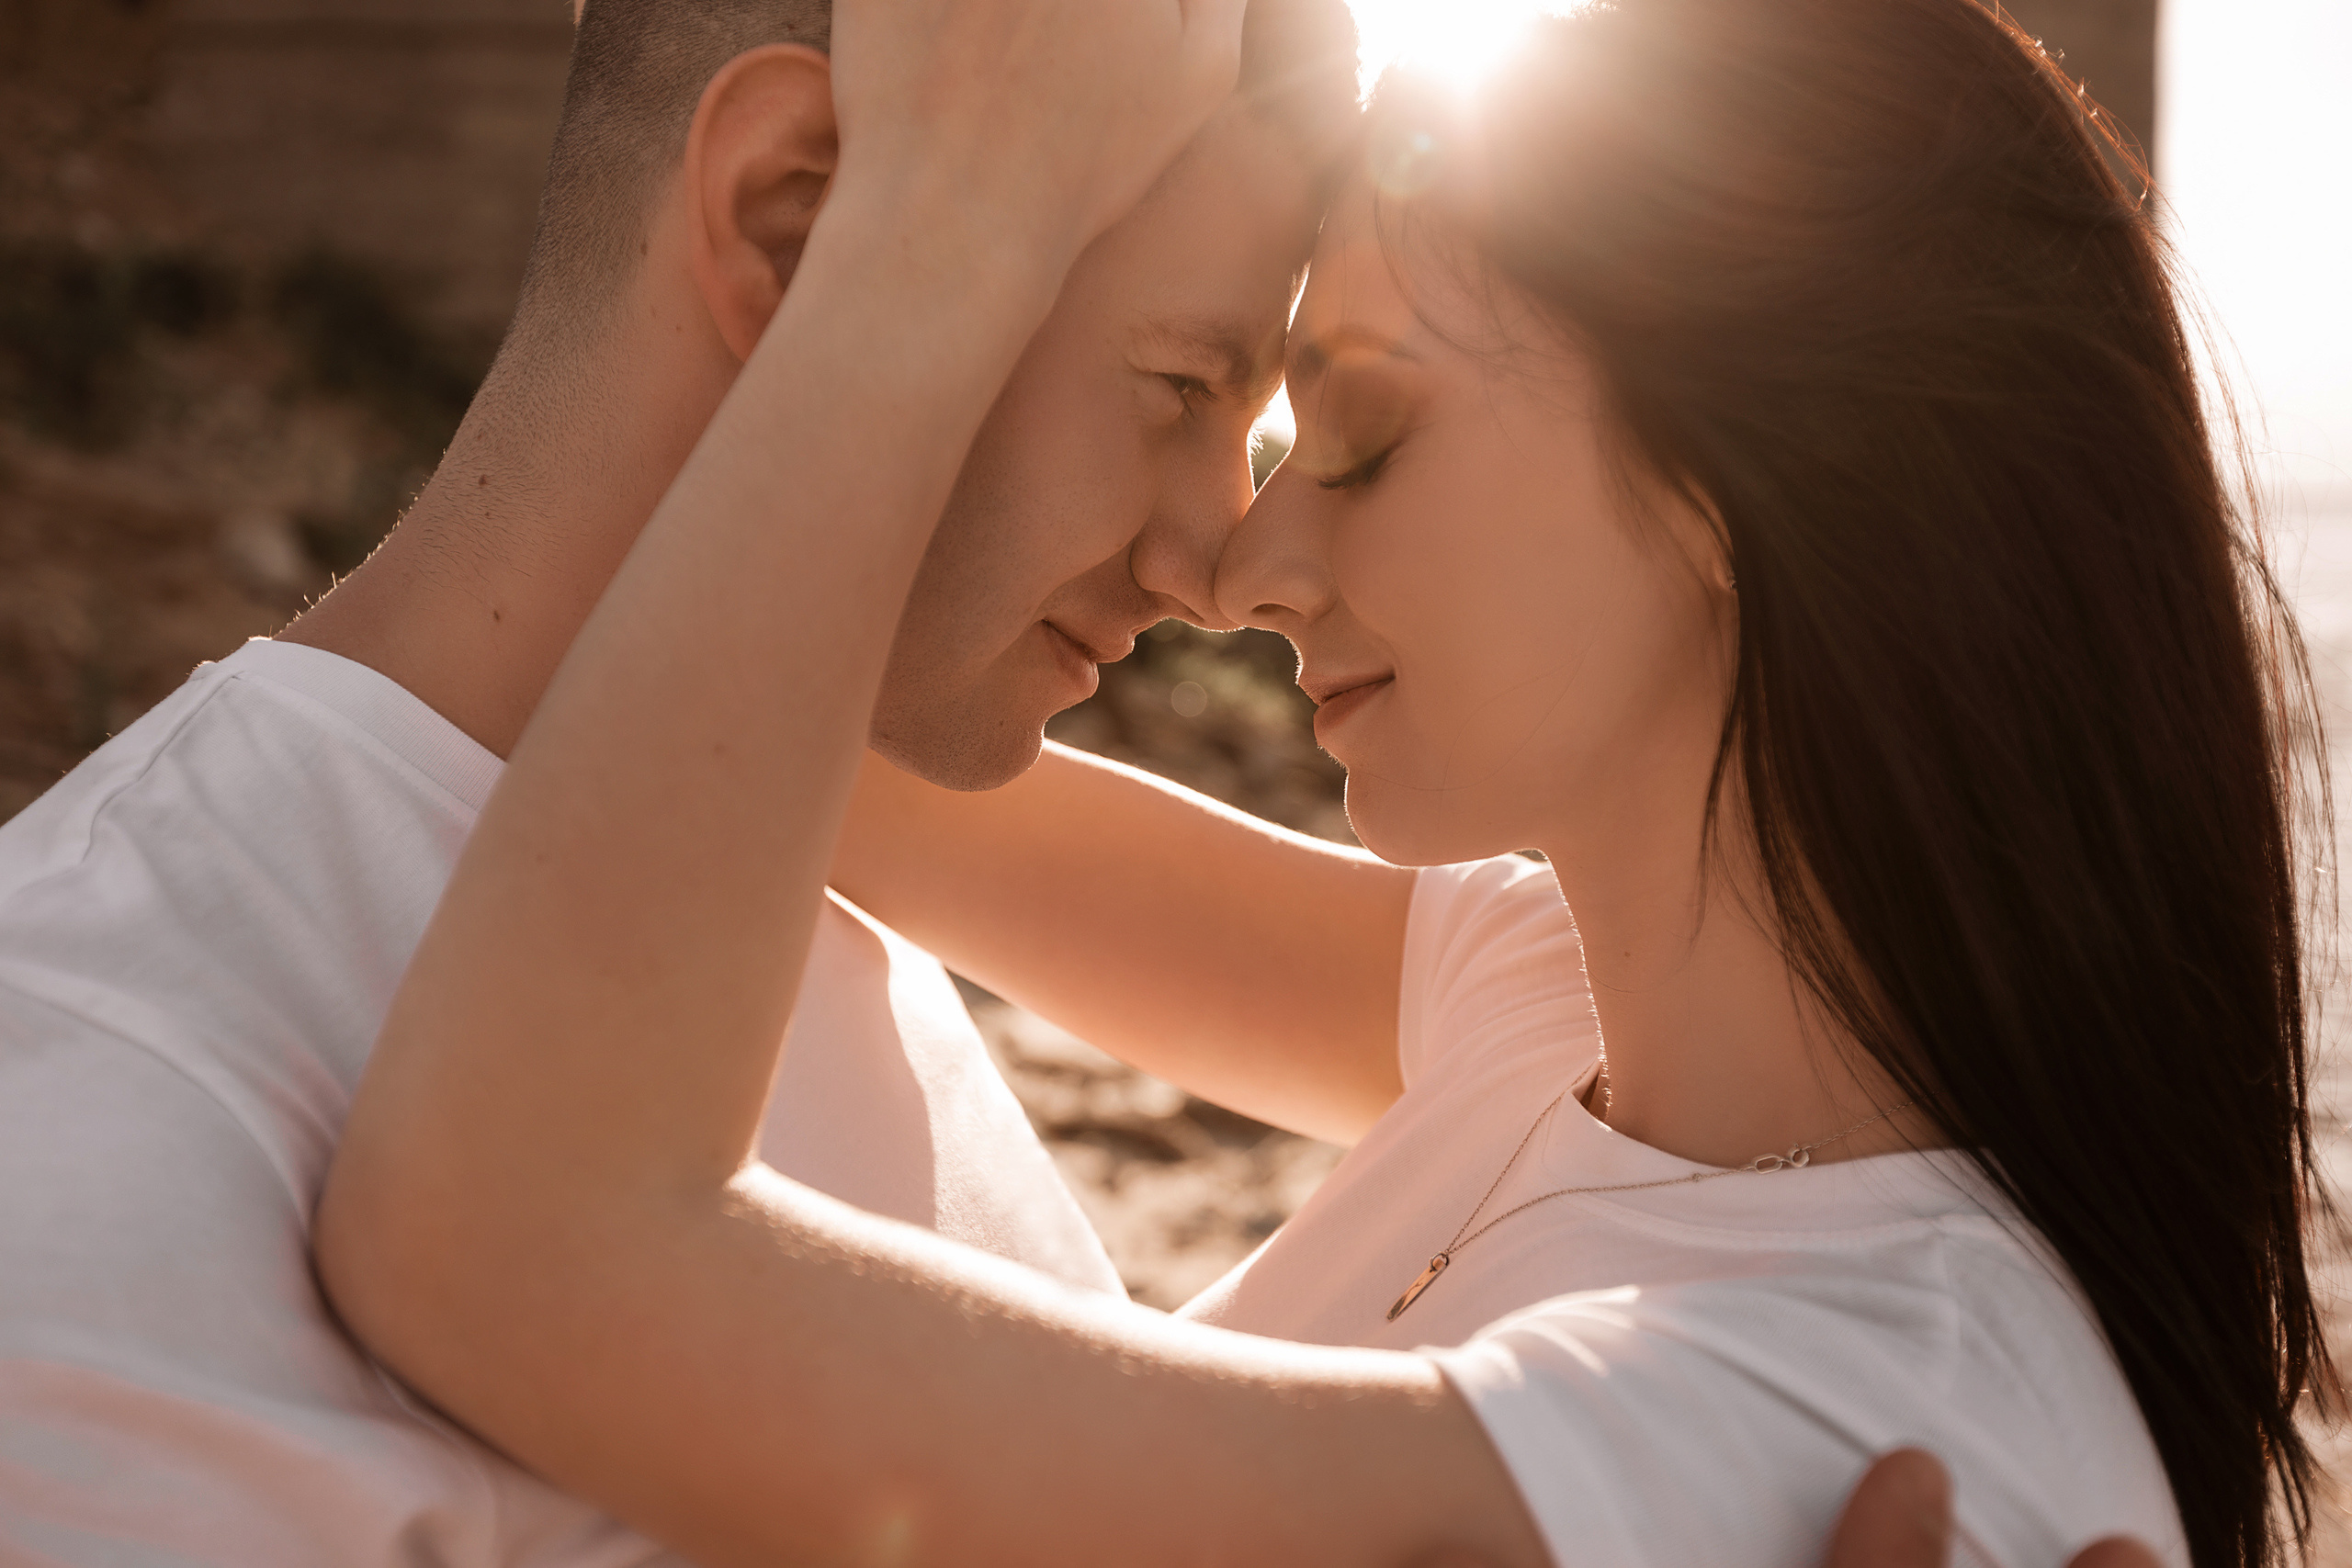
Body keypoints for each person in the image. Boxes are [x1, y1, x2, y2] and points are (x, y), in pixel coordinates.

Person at [313, 0, 2335, 1565]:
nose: (1248, 564)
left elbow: (500, 1247)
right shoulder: (1566, 1014)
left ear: (1746, 489)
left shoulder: (1837, 1426)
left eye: (1357, 435)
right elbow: (810, 745)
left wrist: (936, 228)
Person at [0, 0, 1357, 1558]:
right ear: (793, 224)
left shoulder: (815, 934)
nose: (1213, 565)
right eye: (1186, 387)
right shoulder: (87, 1110)